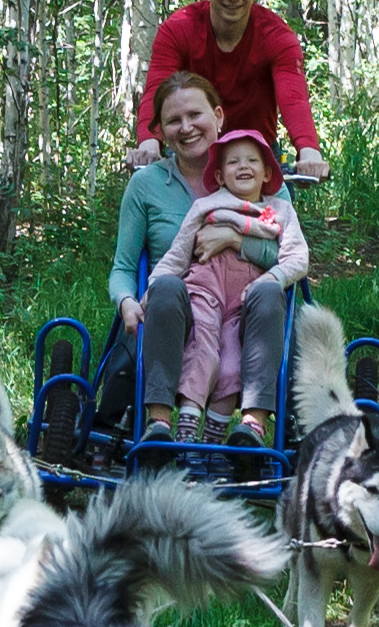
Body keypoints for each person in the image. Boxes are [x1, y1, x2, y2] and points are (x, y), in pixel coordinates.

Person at [113, 71, 299, 443]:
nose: (186, 127)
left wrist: (233, 239)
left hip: (246, 308)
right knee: (164, 288)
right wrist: (127, 301)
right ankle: (157, 426)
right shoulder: (146, 184)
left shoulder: (264, 188)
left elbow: (286, 258)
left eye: (195, 115)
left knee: (269, 302)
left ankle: (251, 429)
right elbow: (124, 267)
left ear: (218, 115)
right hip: (174, 309)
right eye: (173, 121)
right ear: (161, 131)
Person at [138, 0, 325, 185]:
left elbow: (294, 98)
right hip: (192, 152)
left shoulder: (277, 37)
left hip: (254, 157)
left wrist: (308, 150)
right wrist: (150, 143)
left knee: (276, 222)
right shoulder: (179, 29)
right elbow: (156, 90)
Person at [166, 128, 308, 434]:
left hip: (244, 301)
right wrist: (153, 289)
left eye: (252, 161)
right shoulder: (205, 206)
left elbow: (298, 259)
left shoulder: (280, 210)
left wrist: (270, 279)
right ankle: (187, 426)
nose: (243, 166)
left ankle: (214, 439)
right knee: (202, 350)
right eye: (233, 162)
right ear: (218, 177)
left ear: (267, 172)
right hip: (204, 288)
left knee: (232, 363)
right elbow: (178, 255)